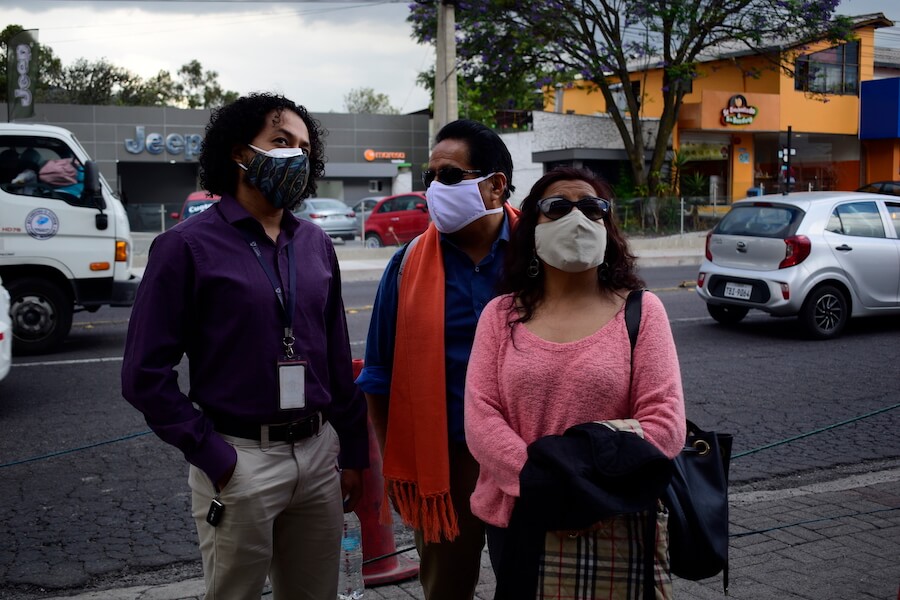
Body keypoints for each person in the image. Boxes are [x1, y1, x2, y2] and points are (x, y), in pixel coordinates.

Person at [121, 93, 368, 600]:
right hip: (239, 460)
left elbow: (337, 360)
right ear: (239, 153)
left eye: (303, 146)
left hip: (319, 455)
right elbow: (144, 374)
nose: (295, 155)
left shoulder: (316, 244)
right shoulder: (184, 247)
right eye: (281, 141)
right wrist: (215, 457)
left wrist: (354, 453)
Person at [464, 167, 687, 598]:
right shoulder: (499, 315)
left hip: (613, 520)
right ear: (531, 228)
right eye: (558, 207)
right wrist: (538, 479)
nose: (577, 217)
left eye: (591, 207)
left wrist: (583, 484)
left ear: (608, 225)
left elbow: (665, 424)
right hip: (518, 516)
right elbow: (480, 417)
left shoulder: (642, 312)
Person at [356, 119, 517, 600]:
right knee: (446, 588)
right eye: (430, 177)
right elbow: (378, 376)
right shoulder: (406, 265)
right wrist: (395, 464)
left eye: (449, 176)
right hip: (442, 463)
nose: (433, 189)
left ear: (494, 186)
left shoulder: (541, 254)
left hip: (527, 455)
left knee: (531, 581)